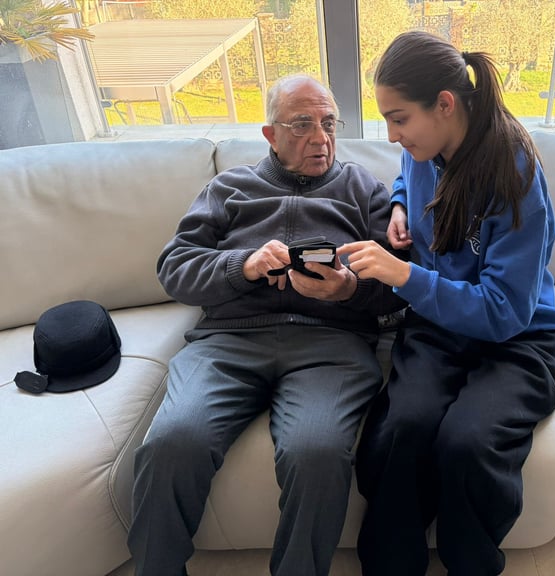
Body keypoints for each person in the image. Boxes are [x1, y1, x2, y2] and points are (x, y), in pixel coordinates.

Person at [127, 74, 403, 576]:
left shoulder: (366, 190)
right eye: (302, 124)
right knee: (171, 442)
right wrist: (243, 265)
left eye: (327, 123)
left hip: (332, 345)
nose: (320, 138)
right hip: (228, 343)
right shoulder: (229, 187)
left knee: (317, 452)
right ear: (270, 134)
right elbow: (175, 268)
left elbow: (399, 284)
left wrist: (348, 288)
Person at [336, 31, 555, 576]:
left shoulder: (515, 177)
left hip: (518, 337)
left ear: (445, 104)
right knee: (402, 430)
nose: (393, 136)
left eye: (399, 119)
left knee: (467, 443)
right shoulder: (425, 149)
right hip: (439, 326)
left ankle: (472, 565)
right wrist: (399, 205)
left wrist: (405, 275)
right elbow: (407, 177)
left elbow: (502, 312)